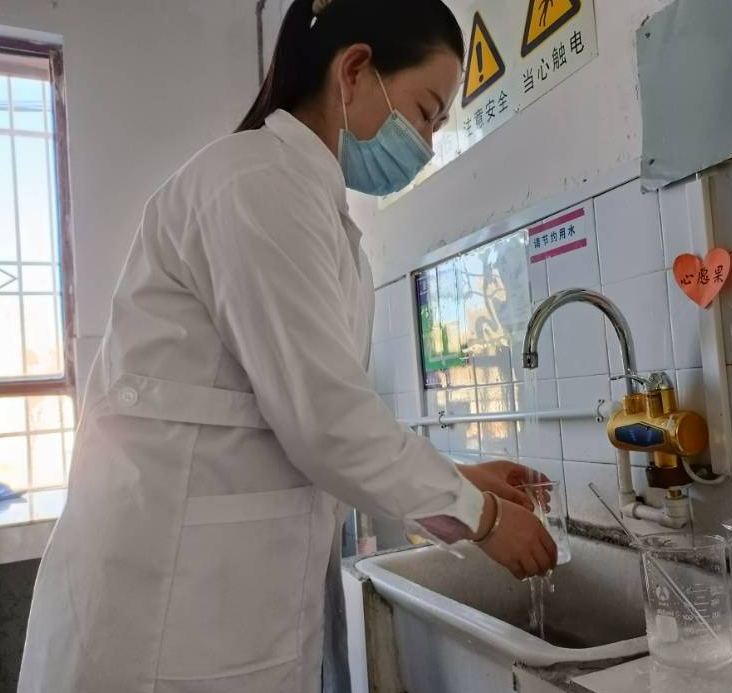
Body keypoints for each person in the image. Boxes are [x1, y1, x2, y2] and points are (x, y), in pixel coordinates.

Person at [17, 1, 557, 692]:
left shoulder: (315, 212)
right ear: (354, 70)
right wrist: (482, 518)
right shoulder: (256, 182)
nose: (425, 144)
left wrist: (462, 479)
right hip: (160, 617)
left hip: (225, 605)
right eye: (425, 113)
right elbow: (326, 424)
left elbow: (315, 420)